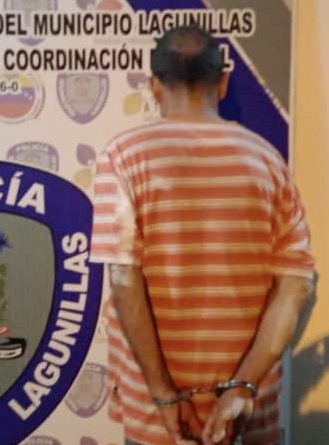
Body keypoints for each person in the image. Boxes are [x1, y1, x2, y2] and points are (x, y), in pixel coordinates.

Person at [89, 25, 315, 445]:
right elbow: (296, 285)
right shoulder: (267, 160)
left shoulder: (123, 156)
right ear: (223, 82)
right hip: (246, 411)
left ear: (154, 86)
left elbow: (123, 278)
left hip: (156, 414)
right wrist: (242, 388)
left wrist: (163, 395)